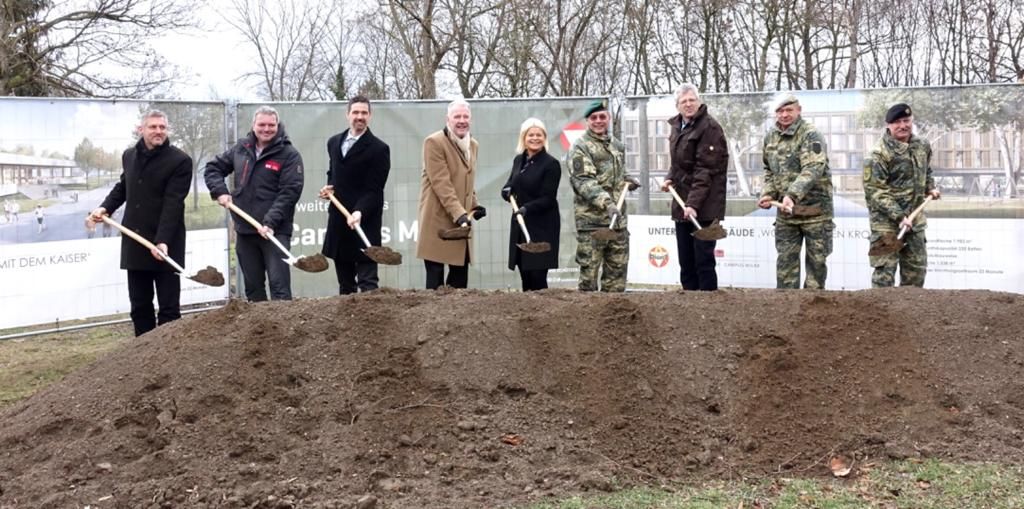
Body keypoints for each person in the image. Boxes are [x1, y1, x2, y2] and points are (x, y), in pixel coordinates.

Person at [87, 110, 193, 337]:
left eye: (162, 127)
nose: (158, 132)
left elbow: (173, 204)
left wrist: (163, 241)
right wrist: (105, 207)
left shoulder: (180, 161)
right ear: (141, 129)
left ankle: (168, 357)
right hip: (135, 242)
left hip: (166, 244)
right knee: (140, 306)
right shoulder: (129, 156)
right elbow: (123, 187)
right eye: (153, 127)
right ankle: (143, 359)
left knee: (168, 309)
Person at [205, 106, 304, 301]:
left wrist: (270, 222)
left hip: (274, 231)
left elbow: (290, 192)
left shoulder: (289, 154)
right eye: (262, 124)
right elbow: (213, 168)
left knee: (279, 287)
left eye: (271, 125)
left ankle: (282, 330)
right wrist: (220, 192)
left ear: (278, 125)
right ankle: (260, 332)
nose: (266, 129)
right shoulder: (242, 148)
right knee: (253, 288)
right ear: (254, 125)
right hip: (245, 230)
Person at [756, 93, 835, 289]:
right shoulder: (770, 137)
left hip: (814, 212)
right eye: (780, 111)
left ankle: (812, 312)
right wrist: (768, 193)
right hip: (786, 214)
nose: (784, 115)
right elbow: (769, 170)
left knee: (816, 266)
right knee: (786, 266)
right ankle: (786, 311)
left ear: (798, 110)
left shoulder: (811, 134)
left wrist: (791, 195)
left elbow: (814, 167)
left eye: (789, 110)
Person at [319, 95, 391, 294]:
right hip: (339, 220)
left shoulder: (379, 149)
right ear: (347, 114)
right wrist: (329, 188)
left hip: (364, 222)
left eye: (364, 113)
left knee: (368, 285)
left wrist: (359, 211)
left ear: (370, 116)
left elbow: (375, 189)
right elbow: (333, 173)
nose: (360, 117)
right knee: (346, 286)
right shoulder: (334, 143)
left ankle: (371, 323)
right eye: (356, 112)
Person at [659, 84, 728, 291]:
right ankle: (689, 306)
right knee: (686, 261)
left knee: (703, 261)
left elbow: (705, 170)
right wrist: (670, 177)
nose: (688, 104)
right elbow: (678, 163)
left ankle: (707, 307)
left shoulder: (709, 128)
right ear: (677, 105)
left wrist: (693, 204)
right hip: (682, 203)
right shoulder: (677, 126)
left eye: (692, 100)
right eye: (683, 101)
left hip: (704, 206)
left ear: (699, 102)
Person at [863, 103, 941, 287]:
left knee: (916, 273)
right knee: (884, 276)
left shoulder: (922, 145)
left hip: (915, 221)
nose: (902, 125)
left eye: (906, 120)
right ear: (888, 125)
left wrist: (930, 187)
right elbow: (875, 190)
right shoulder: (878, 154)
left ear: (912, 121)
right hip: (886, 225)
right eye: (897, 122)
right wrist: (899, 215)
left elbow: (925, 170)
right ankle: (881, 315)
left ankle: (910, 314)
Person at [567, 99, 639, 292]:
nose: (598, 121)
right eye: (593, 117)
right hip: (592, 223)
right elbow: (584, 182)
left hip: (617, 223)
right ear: (587, 121)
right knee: (589, 282)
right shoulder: (580, 147)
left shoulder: (617, 146)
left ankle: (614, 321)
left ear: (608, 118)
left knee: (616, 280)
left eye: (602, 117)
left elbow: (617, 174)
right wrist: (607, 203)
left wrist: (628, 180)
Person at [415, 99, 485, 289]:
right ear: (448, 119)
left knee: (459, 282)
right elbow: (441, 183)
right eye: (457, 116)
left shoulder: (473, 145)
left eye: (465, 116)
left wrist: (474, 205)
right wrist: (460, 213)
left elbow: (466, 181)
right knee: (435, 284)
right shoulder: (434, 142)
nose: (462, 121)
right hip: (437, 221)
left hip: (460, 221)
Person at [500, 117, 561, 291]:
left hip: (542, 227)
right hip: (521, 226)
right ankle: (529, 315)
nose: (535, 138)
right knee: (525, 273)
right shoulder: (519, 160)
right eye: (531, 135)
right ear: (523, 138)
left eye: (539, 135)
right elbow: (511, 183)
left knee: (537, 275)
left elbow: (548, 198)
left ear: (545, 138)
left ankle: (543, 313)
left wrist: (527, 208)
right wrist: (506, 191)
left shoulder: (551, 164)